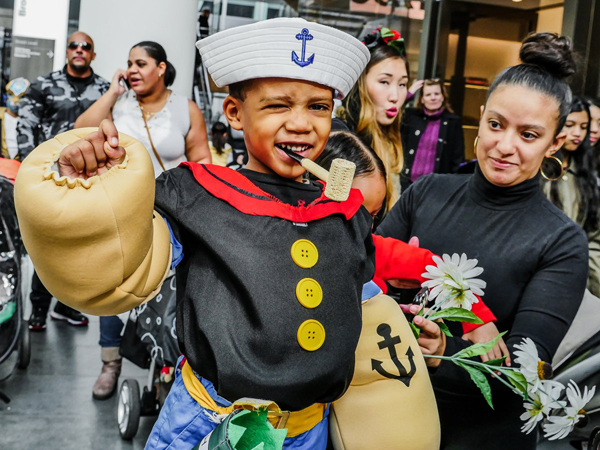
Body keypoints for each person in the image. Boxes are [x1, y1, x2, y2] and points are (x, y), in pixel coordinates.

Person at [15, 18, 450, 449]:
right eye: (279, 105)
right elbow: (126, 263)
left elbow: (356, 297)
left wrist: (409, 328)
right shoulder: (195, 193)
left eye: (318, 107)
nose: (302, 124)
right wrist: (86, 185)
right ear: (234, 113)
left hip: (307, 430)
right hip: (208, 421)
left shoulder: (347, 212)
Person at [376, 32, 589, 449]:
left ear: (556, 142)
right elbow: (356, 274)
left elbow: (522, 372)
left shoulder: (562, 242)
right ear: (481, 117)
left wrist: (441, 351)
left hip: (477, 433)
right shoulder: (426, 192)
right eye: (496, 124)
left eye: (528, 135)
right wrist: (390, 274)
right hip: (385, 413)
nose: (504, 146)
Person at [18, 31, 110, 331]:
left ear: (93, 55)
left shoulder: (104, 89)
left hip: (92, 180)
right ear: (67, 52)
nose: (80, 50)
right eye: (75, 45)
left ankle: (67, 308)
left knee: (81, 247)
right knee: (49, 246)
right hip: (51, 177)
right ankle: (39, 310)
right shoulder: (44, 85)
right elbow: (26, 123)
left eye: (87, 46)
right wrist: (28, 167)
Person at [75, 40, 211, 177]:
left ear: (161, 68)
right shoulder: (117, 102)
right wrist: (112, 92)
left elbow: (201, 160)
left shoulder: (186, 108)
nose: (132, 70)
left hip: (172, 195)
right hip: (123, 194)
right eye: (129, 65)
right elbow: (80, 131)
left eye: (141, 64)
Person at [333, 27, 408, 208]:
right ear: (360, 85)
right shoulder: (341, 137)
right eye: (384, 82)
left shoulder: (390, 139)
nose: (395, 96)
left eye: (403, 84)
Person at [541, 97, 600, 297]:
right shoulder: (539, 170)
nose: (578, 133)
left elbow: (594, 235)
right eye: (570, 125)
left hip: (578, 275)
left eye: (584, 127)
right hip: (540, 272)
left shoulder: (585, 175)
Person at [401, 79, 465, 189]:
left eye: (437, 93)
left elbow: (458, 158)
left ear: (443, 97)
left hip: (436, 188)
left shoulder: (453, 122)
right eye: (428, 94)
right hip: (407, 184)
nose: (433, 97)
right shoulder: (412, 116)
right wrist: (409, 93)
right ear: (422, 99)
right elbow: (394, 109)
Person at [1, 78, 30, 159]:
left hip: (21, 163)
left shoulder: (31, 120)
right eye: (11, 94)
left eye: (22, 97)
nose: (15, 100)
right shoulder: (1, 116)